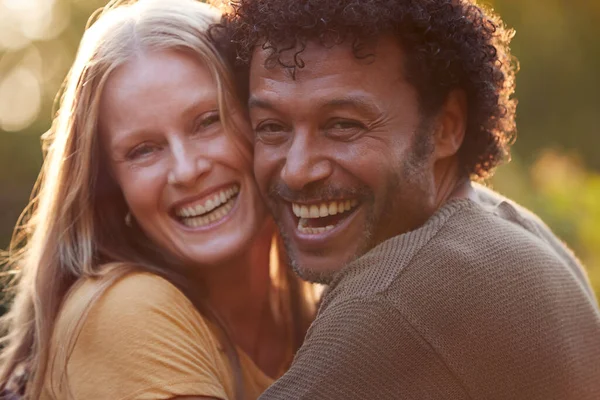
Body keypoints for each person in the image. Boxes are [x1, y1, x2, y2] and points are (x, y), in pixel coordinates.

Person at [218, 0, 600, 398]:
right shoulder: (510, 228)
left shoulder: (392, 301)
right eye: (272, 127)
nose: (297, 170)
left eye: (343, 125)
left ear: (446, 126)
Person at [0, 1, 316, 399]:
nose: (186, 170)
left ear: (265, 121)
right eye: (143, 150)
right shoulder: (125, 309)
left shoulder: (323, 311)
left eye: (208, 120)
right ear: (110, 187)